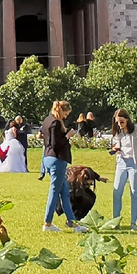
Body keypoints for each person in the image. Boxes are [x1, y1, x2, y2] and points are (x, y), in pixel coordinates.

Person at [41, 100, 86, 233]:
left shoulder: (47, 120)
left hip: (48, 158)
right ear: (61, 111)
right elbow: (56, 144)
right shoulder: (55, 123)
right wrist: (68, 136)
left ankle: (73, 223)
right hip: (57, 159)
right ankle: (47, 223)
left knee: (65, 192)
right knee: (54, 191)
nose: (66, 117)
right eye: (66, 113)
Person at [108, 109, 137, 231]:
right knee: (117, 191)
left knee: (134, 192)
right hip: (122, 162)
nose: (119, 124)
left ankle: (133, 223)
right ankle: (116, 221)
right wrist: (115, 149)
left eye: (121, 122)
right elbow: (118, 144)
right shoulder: (118, 131)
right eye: (117, 122)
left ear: (127, 120)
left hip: (135, 164)